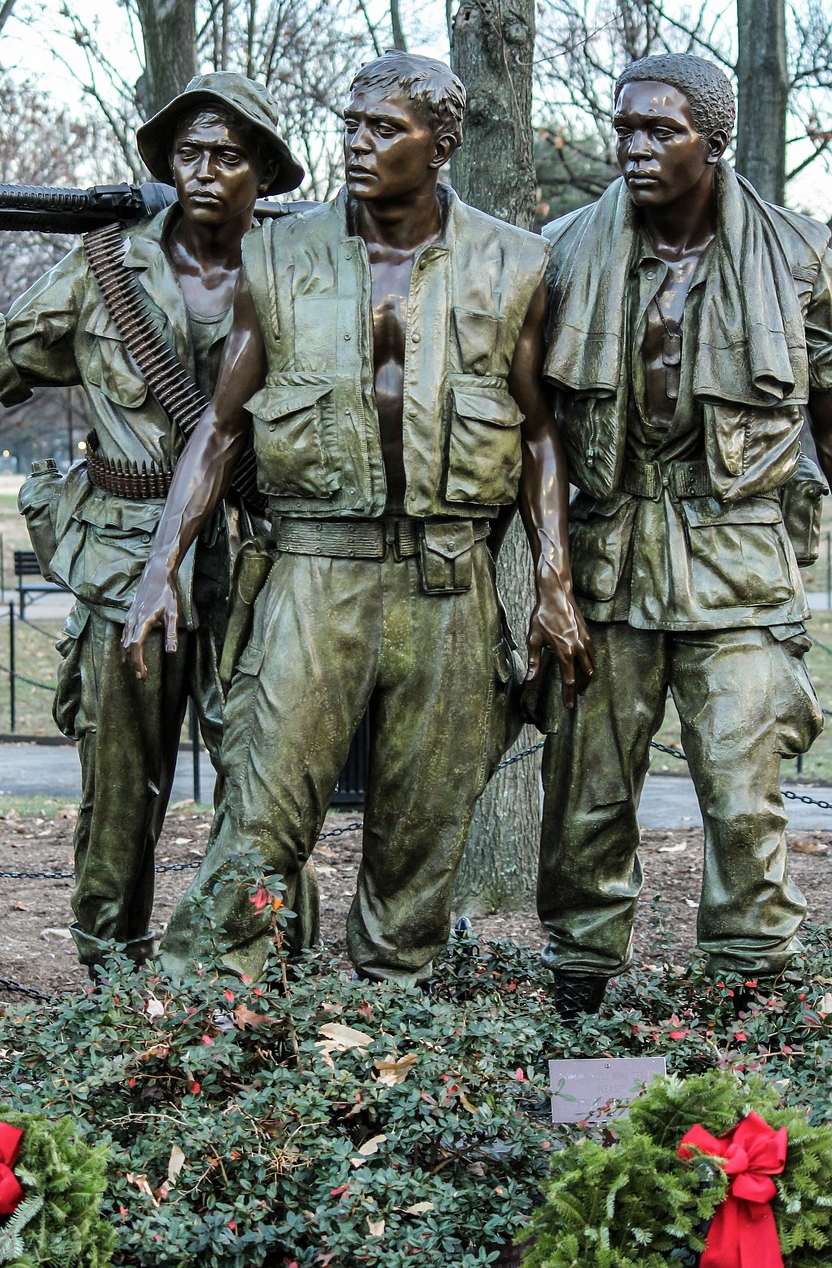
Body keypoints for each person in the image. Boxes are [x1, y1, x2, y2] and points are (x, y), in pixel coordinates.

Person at [122, 50, 593, 986]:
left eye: (385, 128)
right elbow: (218, 430)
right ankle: (207, 1022)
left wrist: (552, 585)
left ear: (441, 144)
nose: (356, 142)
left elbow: (542, 436)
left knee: (422, 831)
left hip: (448, 578)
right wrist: (158, 566)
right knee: (261, 811)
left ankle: (390, 1026)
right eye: (350, 122)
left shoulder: (515, 263)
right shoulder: (278, 254)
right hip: (312, 569)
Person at [0, 73, 305, 974]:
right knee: (119, 787)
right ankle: (106, 971)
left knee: (269, 776)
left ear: (263, 173)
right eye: (186, 153)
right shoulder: (104, 268)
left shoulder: (300, 268)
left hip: (255, 558)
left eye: (227, 155)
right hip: (125, 559)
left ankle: (263, 966)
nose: (203, 170)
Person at [537, 53, 832, 1018]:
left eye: (659, 131)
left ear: (714, 140)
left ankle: (751, 1002)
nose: (632, 148)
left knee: (744, 796)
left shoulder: (795, 259)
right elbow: (528, 423)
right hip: (607, 552)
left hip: (737, 554)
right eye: (623, 128)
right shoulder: (564, 250)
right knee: (586, 794)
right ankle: (578, 991)